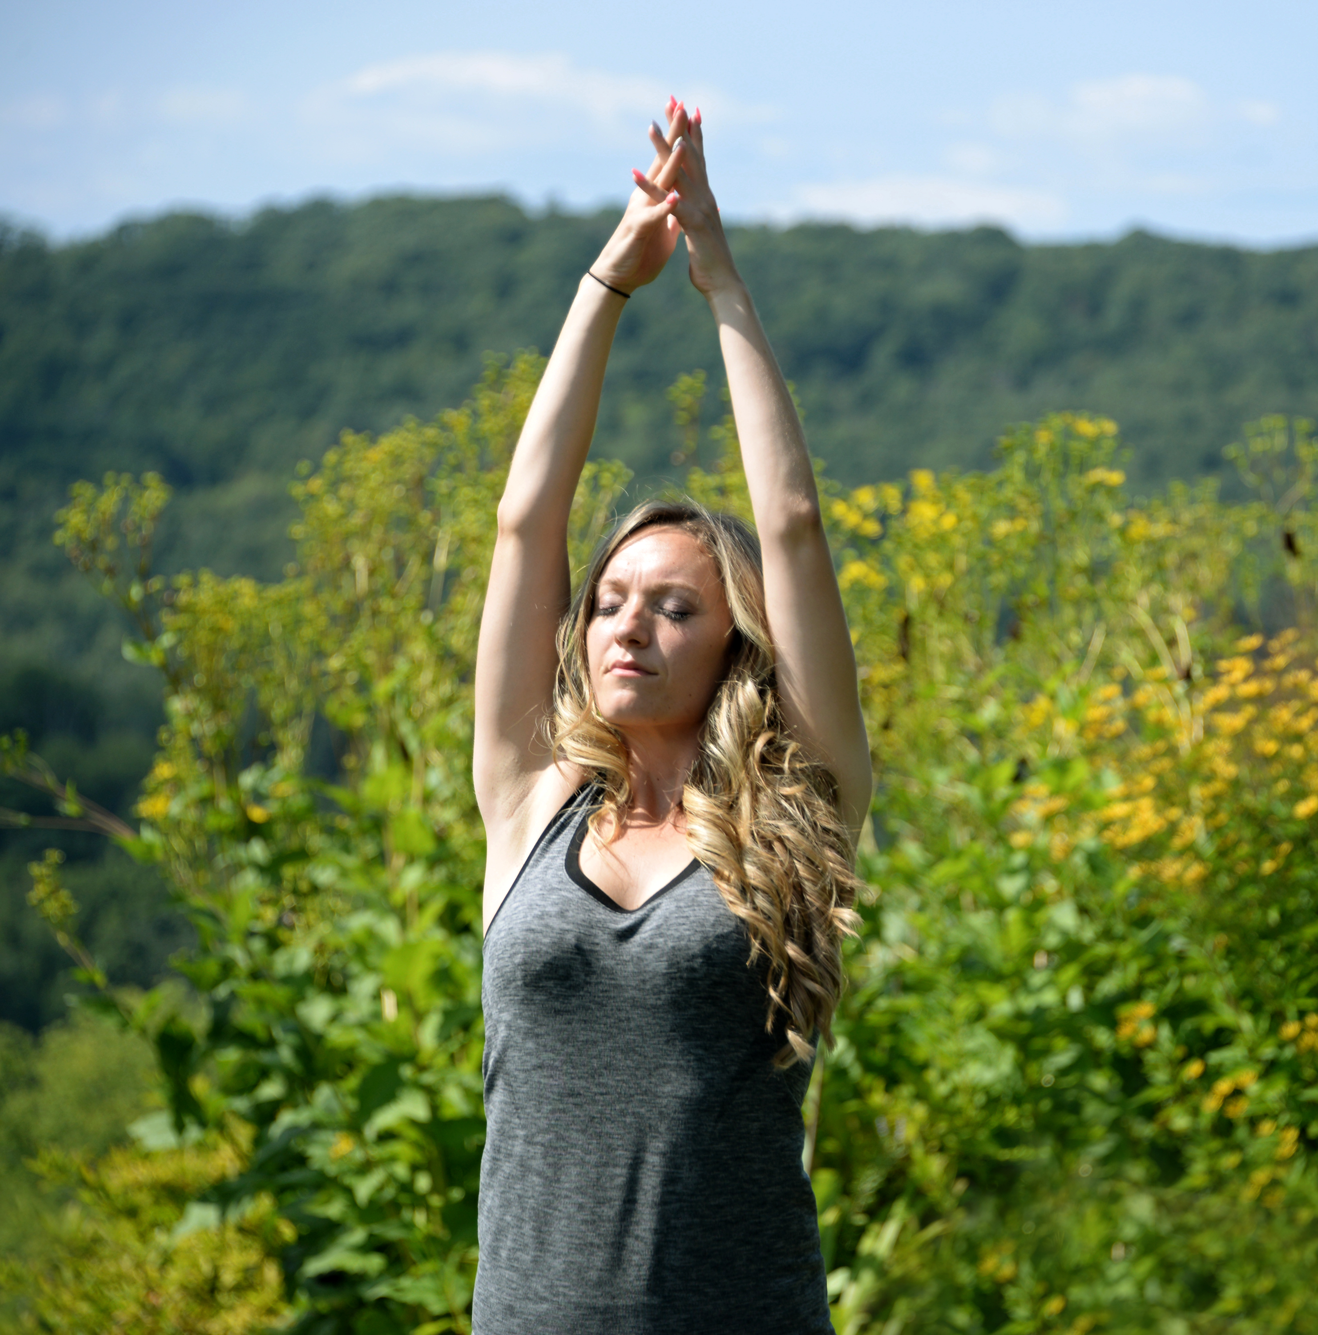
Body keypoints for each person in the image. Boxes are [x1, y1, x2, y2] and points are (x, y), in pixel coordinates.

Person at [470, 98, 870, 1333]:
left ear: (734, 641)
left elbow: (792, 526)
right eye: (608, 603)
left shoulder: (792, 810)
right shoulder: (532, 798)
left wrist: (719, 280)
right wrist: (608, 281)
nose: (627, 626)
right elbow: (525, 525)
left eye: (675, 611)